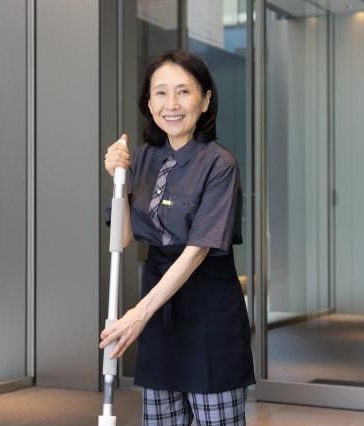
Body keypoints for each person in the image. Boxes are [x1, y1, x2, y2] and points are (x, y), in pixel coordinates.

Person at [100, 50, 255, 426]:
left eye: (184, 92)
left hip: (208, 316)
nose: (171, 104)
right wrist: (117, 181)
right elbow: (124, 238)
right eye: (161, 93)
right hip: (160, 316)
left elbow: (197, 251)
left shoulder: (220, 164)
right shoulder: (142, 158)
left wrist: (138, 314)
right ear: (148, 102)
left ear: (205, 100)